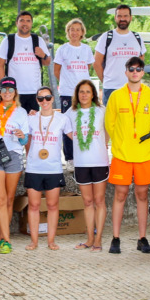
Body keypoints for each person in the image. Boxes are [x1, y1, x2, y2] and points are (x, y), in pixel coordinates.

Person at [105, 56, 150, 255]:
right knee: (119, 195)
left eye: (138, 69)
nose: (135, 72)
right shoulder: (116, 96)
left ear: (143, 72)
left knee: (142, 195)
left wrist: (148, 143)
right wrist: (120, 142)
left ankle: (142, 238)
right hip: (122, 155)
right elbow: (109, 124)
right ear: (126, 71)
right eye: (132, 68)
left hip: (144, 155)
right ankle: (115, 238)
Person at [0, 77, 30, 254]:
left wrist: (21, 136)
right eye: (4, 90)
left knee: (10, 199)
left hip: (13, 154)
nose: (7, 93)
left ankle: (3, 237)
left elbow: (25, 138)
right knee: (1, 199)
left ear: (15, 93)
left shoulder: (21, 112)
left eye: (10, 90)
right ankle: (7, 239)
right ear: (0, 92)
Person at [23, 86, 71, 250]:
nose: (44, 101)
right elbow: (23, 139)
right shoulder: (31, 118)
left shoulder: (62, 119)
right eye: (40, 98)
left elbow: (75, 136)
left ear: (53, 98)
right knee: (34, 206)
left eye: (48, 98)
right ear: (37, 100)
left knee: (52, 206)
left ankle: (51, 241)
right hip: (34, 168)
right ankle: (34, 241)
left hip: (53, 168)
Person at [64, 79, 109, 251]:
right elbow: (63, 127)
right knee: (87, 201)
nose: (84, 95)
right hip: (81, 163)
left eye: (88, 92)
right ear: (77, 94)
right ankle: (89, 239)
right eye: (81, 92)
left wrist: (104, 142)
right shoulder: (71, 112)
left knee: (99, 200)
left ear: (93, 94)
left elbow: (109, 129)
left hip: (99, 161)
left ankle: (98, 240)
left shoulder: (100, 111)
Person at [53, 18, 95, 161]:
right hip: (67, 93)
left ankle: (84, 154)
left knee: (84, 123)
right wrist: (67, 83)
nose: (75, 32)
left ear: (82, 32)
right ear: (68, 32)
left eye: (78, 29)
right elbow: (56, 70)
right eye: (72, 29)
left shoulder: (86, 49)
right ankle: (70, 158)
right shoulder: (63, 49)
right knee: (68, 125)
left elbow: (87, 68)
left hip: (84, 94)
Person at [0, 10, 52, 113]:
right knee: (14, 122)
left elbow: (47, 62)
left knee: (32, 123)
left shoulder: (38, 40)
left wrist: (43, 55)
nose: (25, 23)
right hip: (15, 92)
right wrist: (4, 87)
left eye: (28, 21)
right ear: (17, 23)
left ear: (31, 23)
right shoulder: (8, 40)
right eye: (22, 20)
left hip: (34, 91)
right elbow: (0, 65)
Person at [94, 4, 146, 105]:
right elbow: (96, 63)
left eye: (125, 16)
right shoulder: (106, 37)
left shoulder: (137, 37)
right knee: (110, 120)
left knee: (132, 120)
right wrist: (106, 81)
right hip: (111, 89)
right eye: (119, 16)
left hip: (132, 88)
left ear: (130, 18)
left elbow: (141, 60)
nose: (122, 19)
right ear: (115, 18)